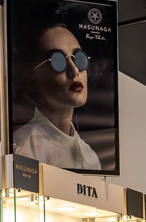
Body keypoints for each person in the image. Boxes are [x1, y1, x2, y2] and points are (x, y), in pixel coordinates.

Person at [12, 23, 103, 171]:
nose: (74, 70)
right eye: (57, 61)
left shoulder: (90, 158)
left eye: (79, 58)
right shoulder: (22, 151)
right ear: (30, 79)